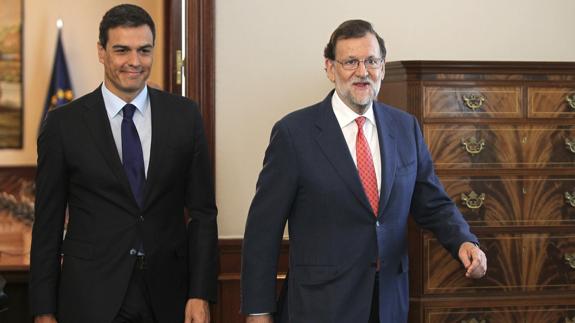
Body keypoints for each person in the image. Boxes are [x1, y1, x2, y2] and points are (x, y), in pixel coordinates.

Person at [240, 19, 487, 323]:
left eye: (371, 61)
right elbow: (263, 230)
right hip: (321, 307)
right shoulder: (294, 134)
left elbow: (432, 202)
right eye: (350, 62)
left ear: (382, 67)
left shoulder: (405, 128)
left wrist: (464, 240)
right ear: (330, 68)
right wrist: (258, 310)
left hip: (389, 304)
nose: (362, 72)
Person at [29, 4, 217, 323]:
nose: (134, 61)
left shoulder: (185, 117)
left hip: (169, 292)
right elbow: (46, 224)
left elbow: (202, 212)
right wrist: (43, 311)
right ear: (101, 52)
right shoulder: (64, 125)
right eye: (122, 50)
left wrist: (200, 293)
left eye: (144, 50)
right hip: (90, 295)